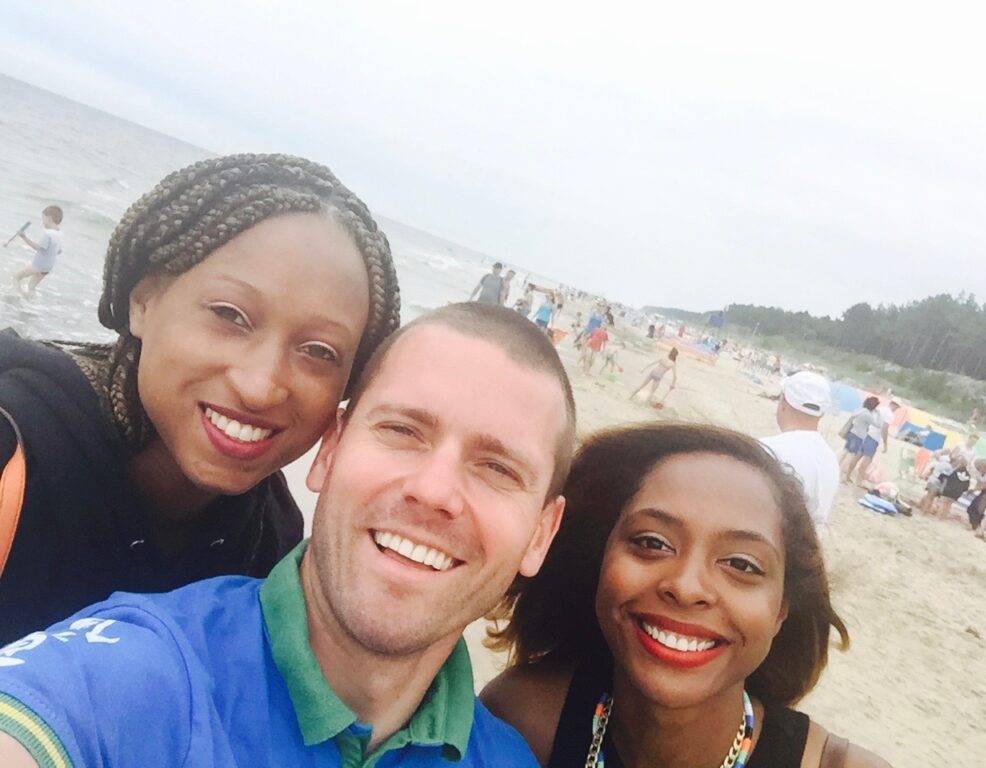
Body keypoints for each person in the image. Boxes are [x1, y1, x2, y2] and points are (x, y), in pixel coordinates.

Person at [0, 303, 576, 766]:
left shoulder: (509, 758)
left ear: (541, 535)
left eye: (498, 469)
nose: (434, 491)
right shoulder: (137, 677)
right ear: (329, 450)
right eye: (402, 430)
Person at [0, 154, 401, 645]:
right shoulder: (15, 456)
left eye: (319, 351)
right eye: (230, 315)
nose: (260, 386)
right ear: (143, 302)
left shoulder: (270, 542)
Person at [481, 423, 890, 767]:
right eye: (653, 542)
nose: (686, 586)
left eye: (742, 565)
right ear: (602, 560)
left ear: (782, 609)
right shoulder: (522, 722)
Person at [759, 372, 840, 536]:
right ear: (821, 413)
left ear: (783, 401)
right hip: (809, 544)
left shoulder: (768, 449)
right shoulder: (830, 458)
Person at [11, 206, 63, 294]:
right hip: (47, 268)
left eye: (43, 219)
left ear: (49, 219)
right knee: (31, 287)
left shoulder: (48, 234)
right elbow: (59, 251)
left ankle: (16, 295)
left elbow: (37, 247)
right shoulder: (60, 234)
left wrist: (24, 237)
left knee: (16, 277)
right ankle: (29, 302)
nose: (42, 222)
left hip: (38, 266)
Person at [838, 397, 883, 484]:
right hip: (858, 436)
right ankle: (841, 477)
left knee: (844, 453)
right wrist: (878, 414)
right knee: (849, 456)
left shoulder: (860, 410)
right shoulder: (868, 415)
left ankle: (836, 469)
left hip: (851, 433)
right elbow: (879, 424)